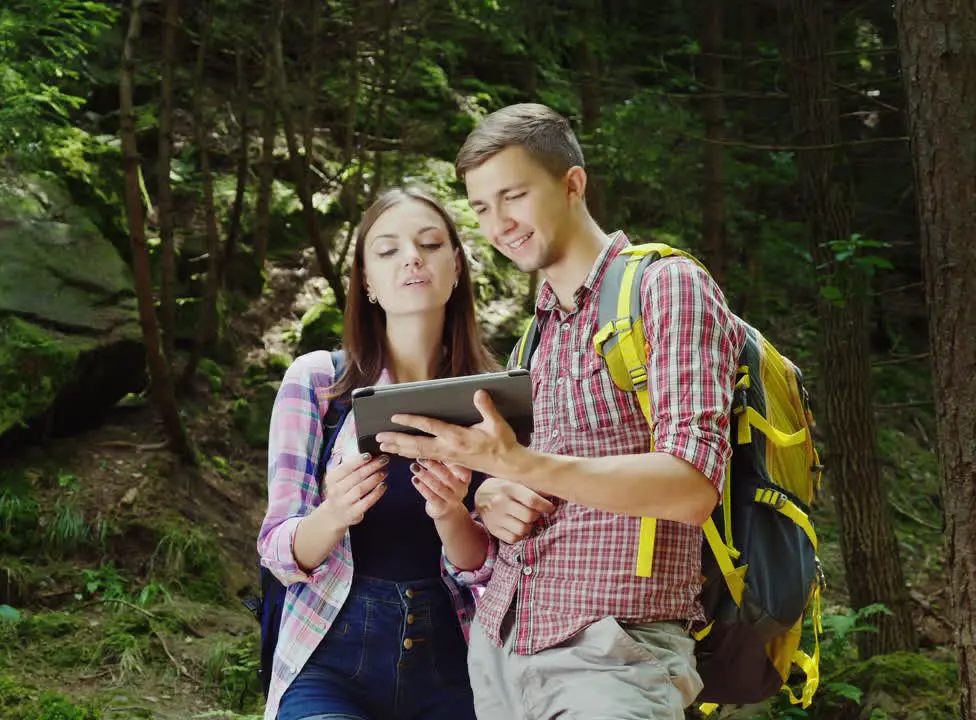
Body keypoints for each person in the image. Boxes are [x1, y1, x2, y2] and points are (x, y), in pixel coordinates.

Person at [374, 103, 747, 719]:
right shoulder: (533, 340)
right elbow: (521, 500)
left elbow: (691, 487)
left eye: (513, 196)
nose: (500, 224)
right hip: (499, 656)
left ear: (573, 184)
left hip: (614, 656)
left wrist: (519, 461)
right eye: (482, 208)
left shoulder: (666, 288)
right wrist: (491, 495)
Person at [256, 187, 501, 720]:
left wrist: (450, 513)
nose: (412, 256)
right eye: (388, 250)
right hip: (329, 655)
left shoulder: (491, 401)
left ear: (456, 268)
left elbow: (491, 569)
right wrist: (333, 514)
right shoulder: (319, 384)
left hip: (454, 663)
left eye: (430, 243)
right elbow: (277, 551)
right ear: (366, 281)